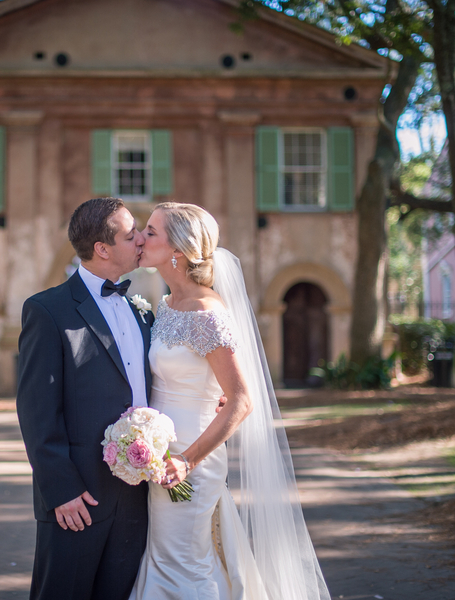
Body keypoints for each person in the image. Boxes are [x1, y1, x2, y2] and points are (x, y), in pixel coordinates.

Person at [130, 202, 330, 600]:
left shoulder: (207, 313)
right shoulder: (167, 306)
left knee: (181, 564)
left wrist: (187, 459)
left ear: (179, 250)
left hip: (190, 461)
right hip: (156, 453)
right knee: (169, 558)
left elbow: (241, 401)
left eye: (150, 231)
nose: (140, 237)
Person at [16, 197, 154, 600]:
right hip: (77, 500)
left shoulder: (141, 310)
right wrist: (61, 490)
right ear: (103, 249)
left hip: (137, 496)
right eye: (132, 235)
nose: (142, 239)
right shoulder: (47, 310)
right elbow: (37, 411)